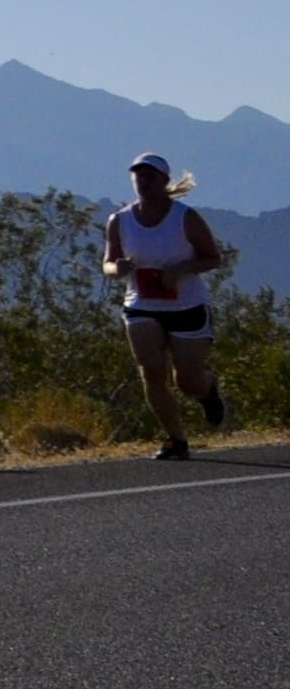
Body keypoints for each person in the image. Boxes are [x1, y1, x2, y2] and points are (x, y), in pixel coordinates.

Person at [103, 151, 237, 460]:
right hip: (141, 305)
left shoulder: (184, 217)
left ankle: (208, 390)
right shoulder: (120, 220)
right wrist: (118, 269)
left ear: (164, 181)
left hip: (186, 307)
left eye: (150, 176)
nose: (144, 181)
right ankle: (176, 439)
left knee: (187, 381)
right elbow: (108, 263)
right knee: (151, 373)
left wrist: (180, 271)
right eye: (139, 175)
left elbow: (213, 257)